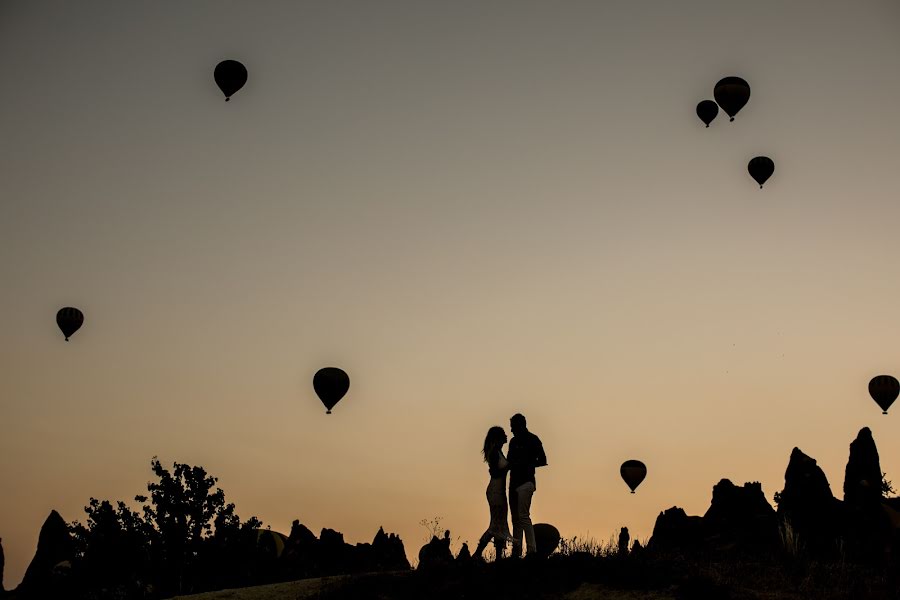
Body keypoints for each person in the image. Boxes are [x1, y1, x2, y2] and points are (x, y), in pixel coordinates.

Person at [506, 413, 547, 557]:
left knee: (523, 517)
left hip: (526, 483)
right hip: (514, 484)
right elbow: (509, 461)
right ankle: (516, 552)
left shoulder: (533, 440)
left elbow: (542, 460)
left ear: (520, 425)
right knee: (516, 519)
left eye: (513, 427)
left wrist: (527, 464)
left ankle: (532, 551)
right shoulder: (513, 442)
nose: (511, 430)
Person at [473, 426, 514, 560]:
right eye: (503, 434)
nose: (506, 436)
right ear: (498, 438)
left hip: (499, 491)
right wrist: (508, 467)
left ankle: (497, 556)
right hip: (495, 491)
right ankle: (477, 553)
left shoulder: (498, 451)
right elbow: (495, 472)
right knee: (496, 524)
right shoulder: (495, 452)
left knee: (500, 524)